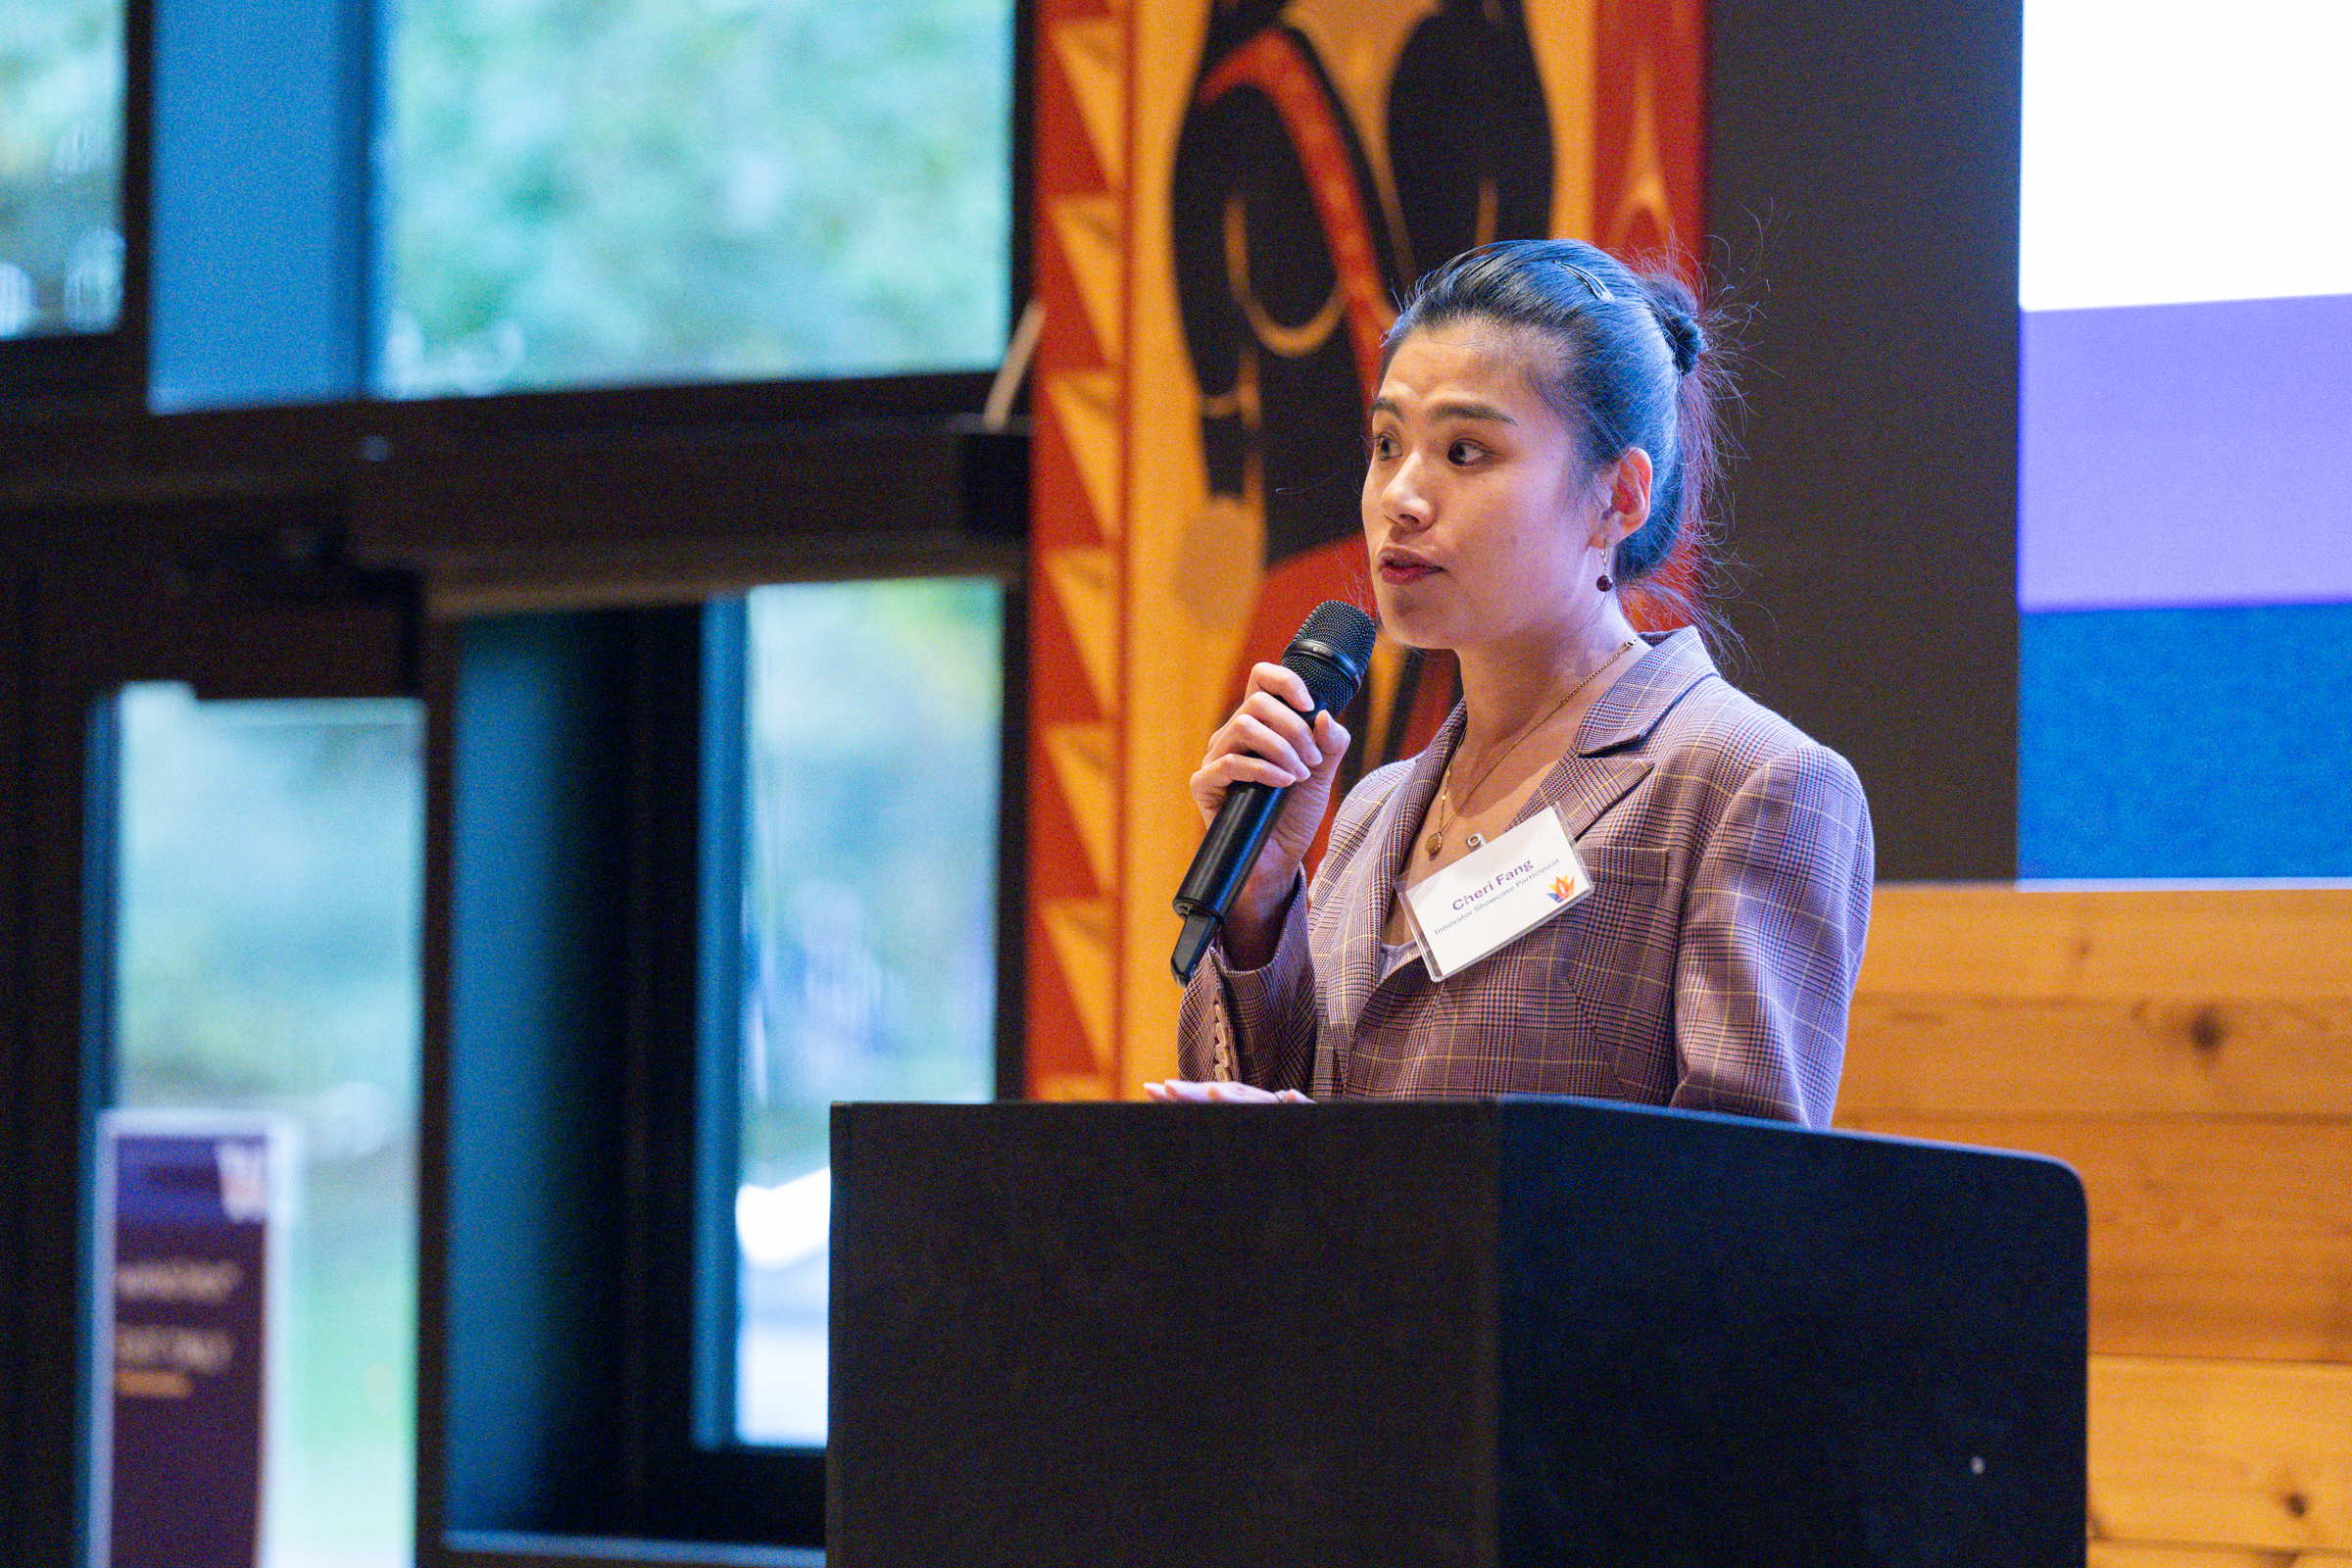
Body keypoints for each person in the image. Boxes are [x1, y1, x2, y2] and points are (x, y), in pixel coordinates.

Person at [1147, 239, 1873, 1126]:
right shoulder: (1374, 814)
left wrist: (1380, 1181)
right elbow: (1253, 1143)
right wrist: (1260, 896)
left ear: (1620, 496)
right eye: (1386, 443)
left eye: (1465, 452)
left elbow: (1736, 1203)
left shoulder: (1748, 782)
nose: (1400, 498)